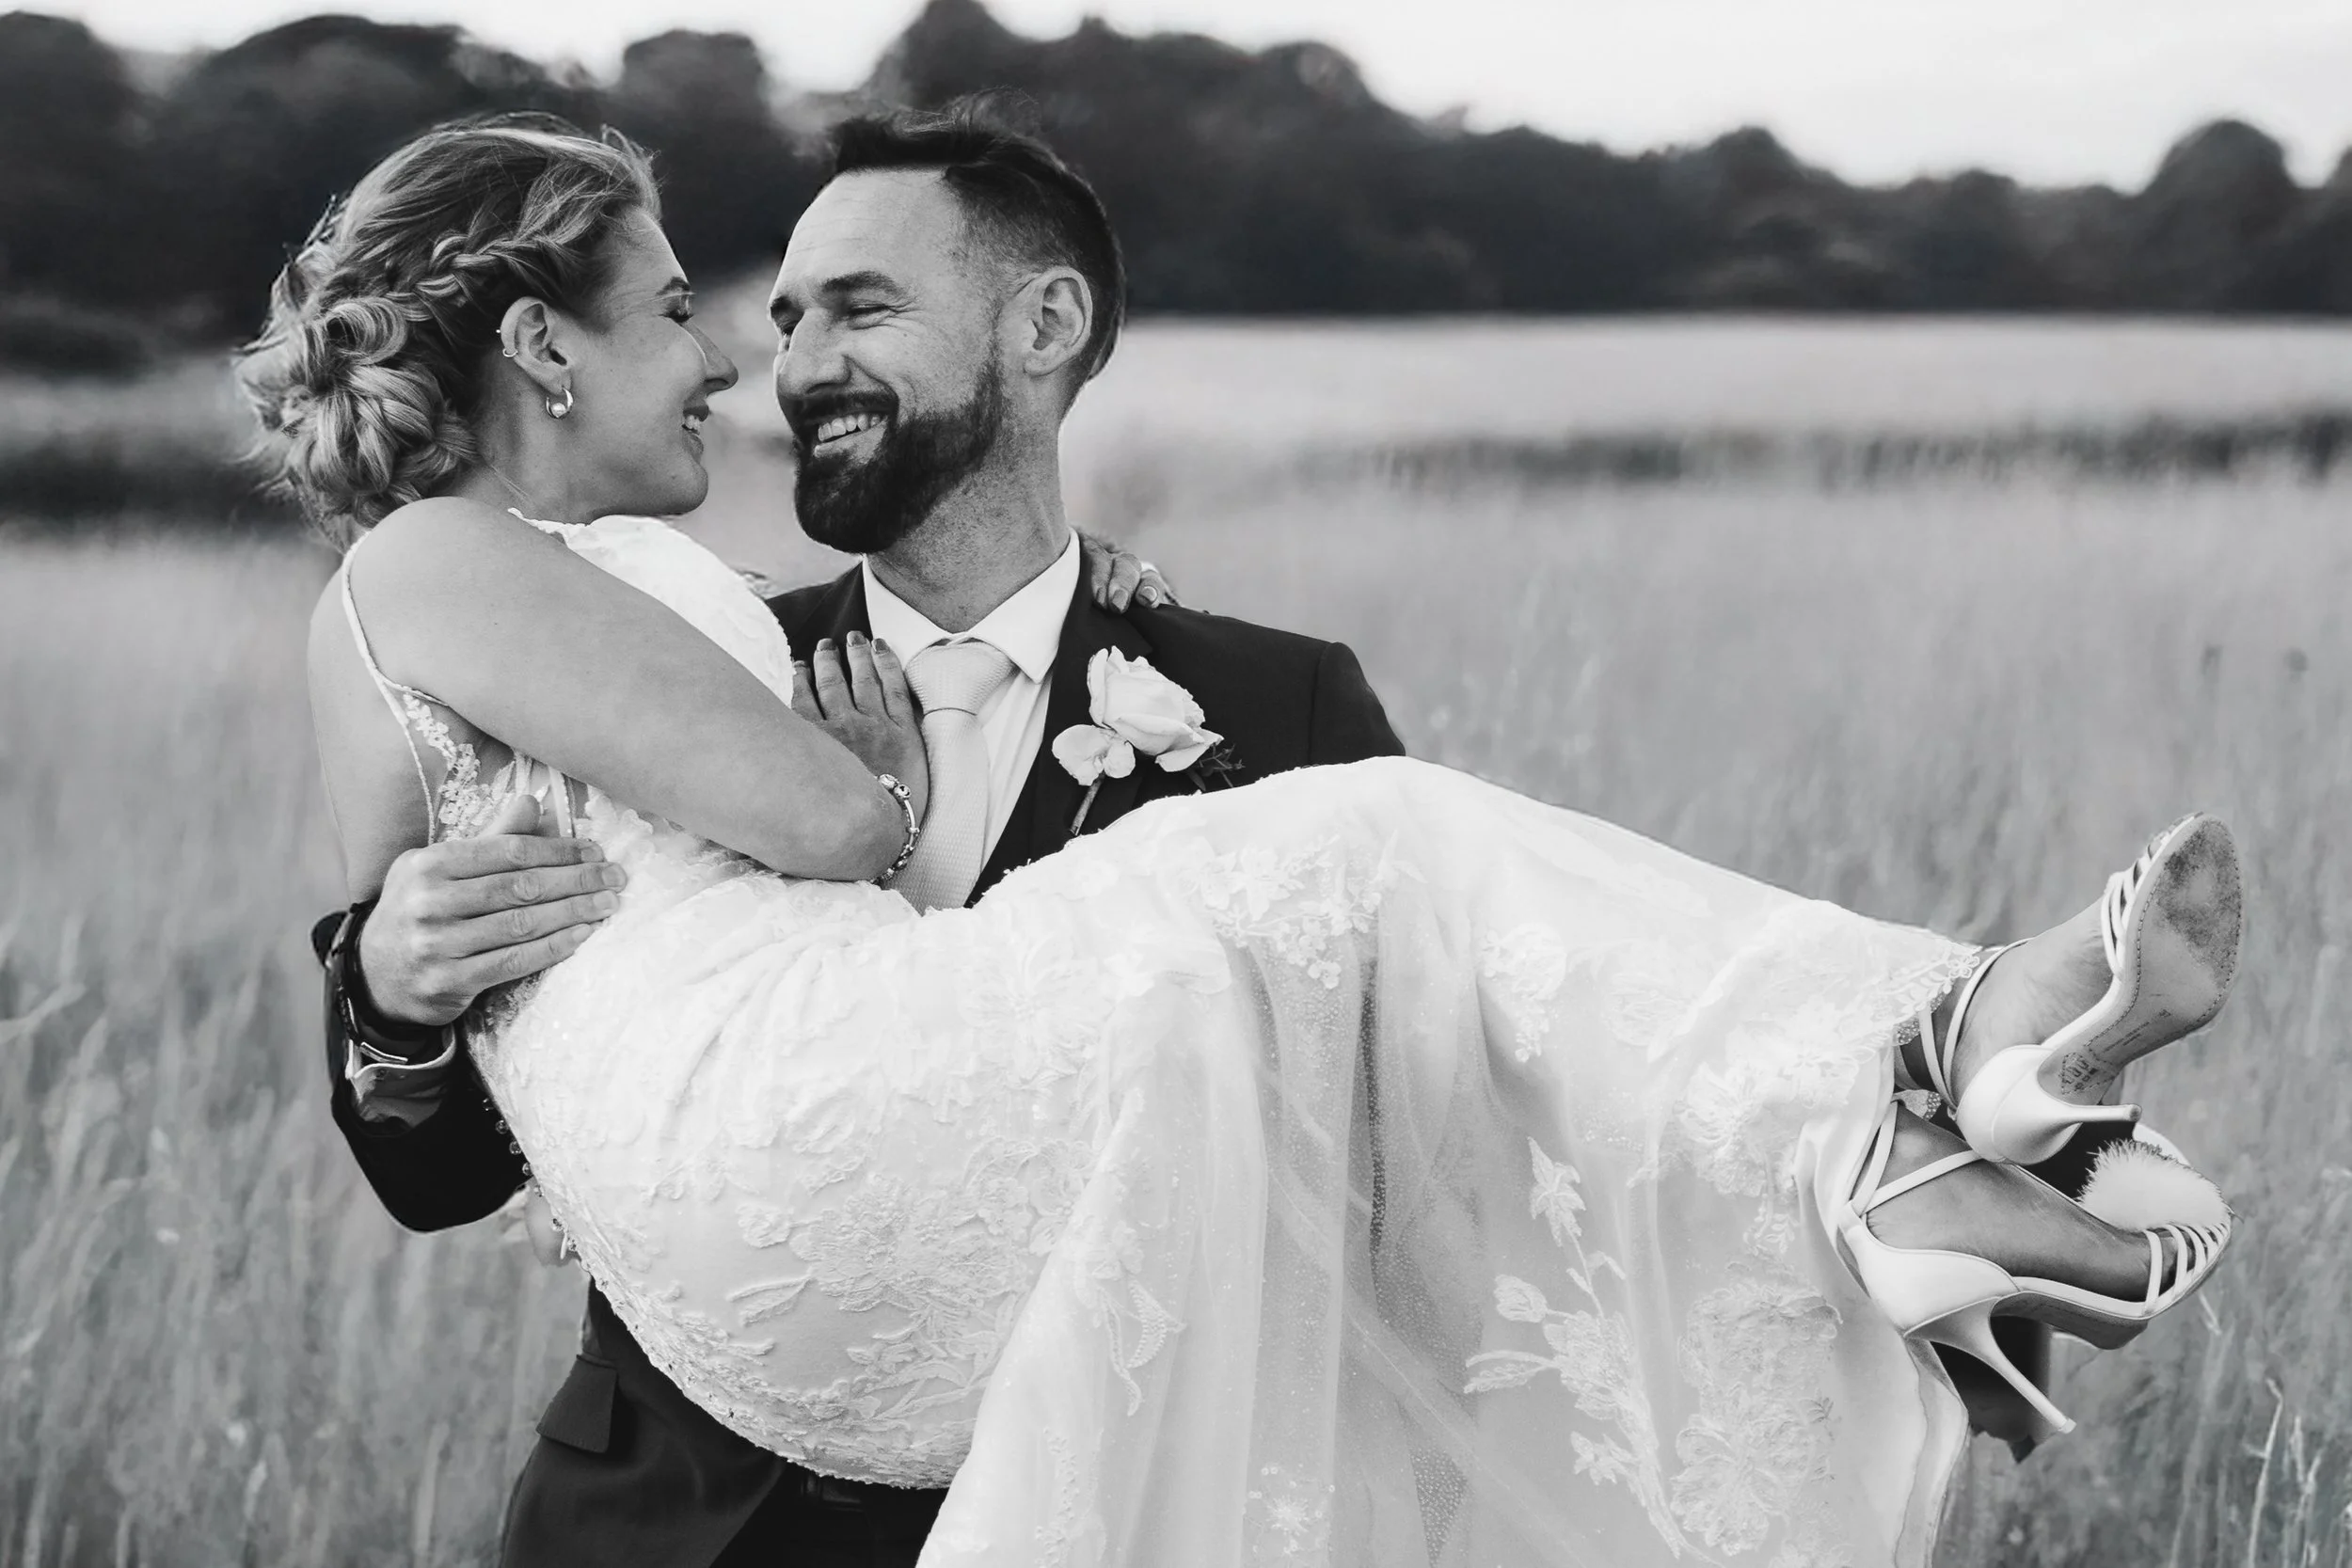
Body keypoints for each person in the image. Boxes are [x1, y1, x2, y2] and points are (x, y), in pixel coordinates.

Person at [252, 110, 2241, 1568]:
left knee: (1402, 859)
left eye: (852, 304)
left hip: (1148, 1487)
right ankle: (1918, 1070)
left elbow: (1471, 1124)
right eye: (753, 313)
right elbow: (430, 1153)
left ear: (1042, 330)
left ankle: (1877, 1174)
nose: (774, 362)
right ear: (541, 349)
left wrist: (1748, 1281)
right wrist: (392, 993)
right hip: (705, 1516)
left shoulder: (1270, 700)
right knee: (1394, 843)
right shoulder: (676, 659)